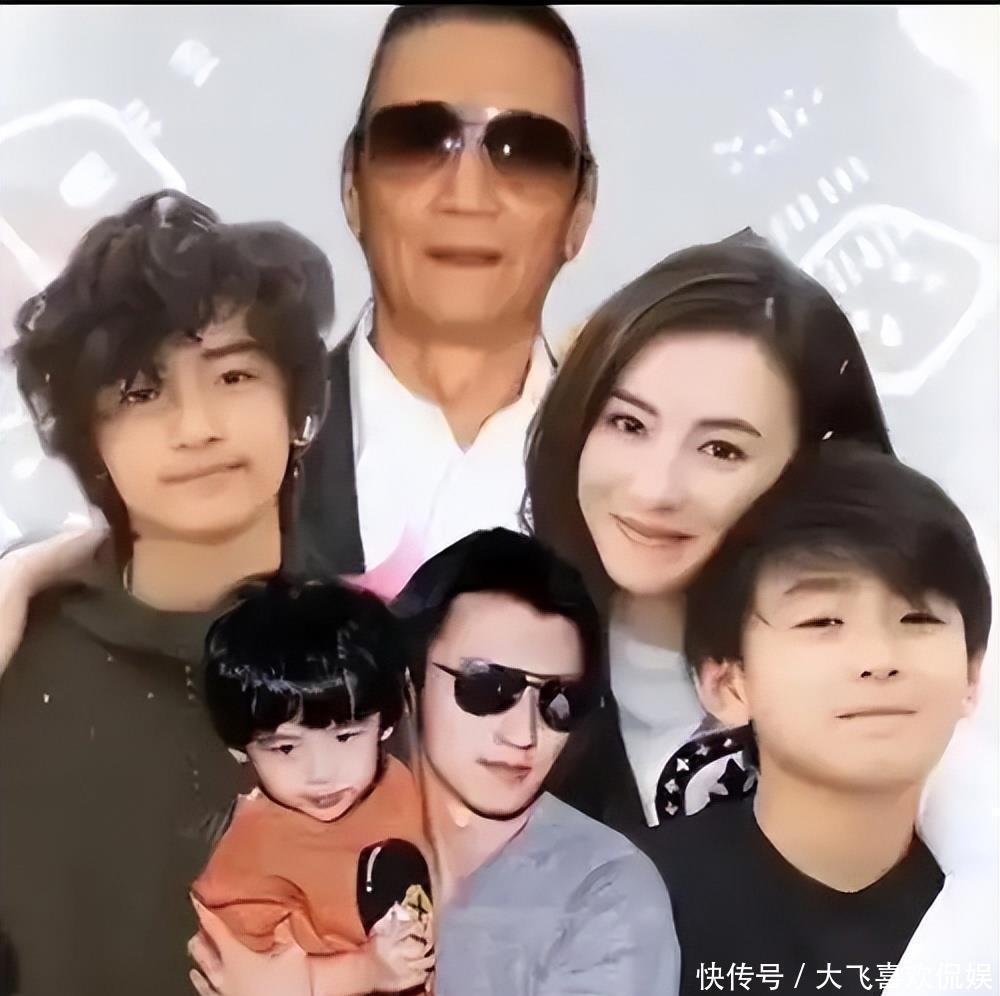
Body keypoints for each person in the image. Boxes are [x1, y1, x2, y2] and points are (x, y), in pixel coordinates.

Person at [0, 1, 597, 660]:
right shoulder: (217, 470)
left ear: (582, 210)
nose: (467, 193)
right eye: (417, 139)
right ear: (352, 185)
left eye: (525, 151)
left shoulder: (649, 493)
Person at [0, 189, 332, 996]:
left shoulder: (385, 660)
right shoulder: (20, 666)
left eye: (234, 375)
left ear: (299, 407)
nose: (197, 427)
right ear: (89, 441)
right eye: (140, 392)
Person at [189, 529, 680, 996]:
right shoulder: (278, 839)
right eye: (487, 687)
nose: (524, 734)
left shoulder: (605, 891)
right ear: (410, 682)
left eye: (560, 701)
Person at [524, 228, 892, 838]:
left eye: (721, 449)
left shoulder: (891, 680)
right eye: (629, 424)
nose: (654, 489)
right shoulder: (483, 659)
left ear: (814, 470)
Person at [655, 442, 992, 994]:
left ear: (972, 675)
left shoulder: (982, 913)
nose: (879, 659)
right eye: (822, 622)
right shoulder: (616, 899)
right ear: (728, 682)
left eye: (918, 618)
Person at [192, 577, 433, 996]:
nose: (321, 773)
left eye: (346, 737)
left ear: (385, 723)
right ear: (241, 749)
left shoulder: (403, 783)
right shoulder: (248, 865)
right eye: (286, 748)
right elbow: (249, 983)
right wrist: (366, 970)